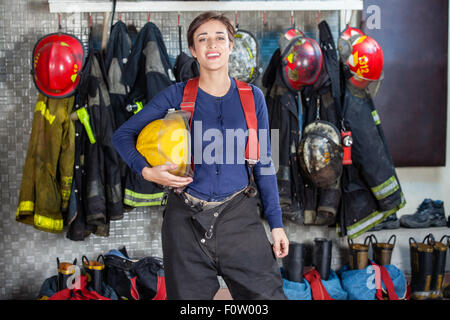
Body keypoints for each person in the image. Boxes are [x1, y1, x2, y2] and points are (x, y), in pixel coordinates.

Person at [112, 11, 289, 300]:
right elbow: (121, 136)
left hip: (239, 218)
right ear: (193, 50)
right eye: (202, 39)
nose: (212, 45)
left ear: (231, 45)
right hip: (184, 222)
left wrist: (277, 224)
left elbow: (265, 164)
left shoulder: (253, 97)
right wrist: (147, 171)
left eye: (220, 38)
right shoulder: (175, 95)